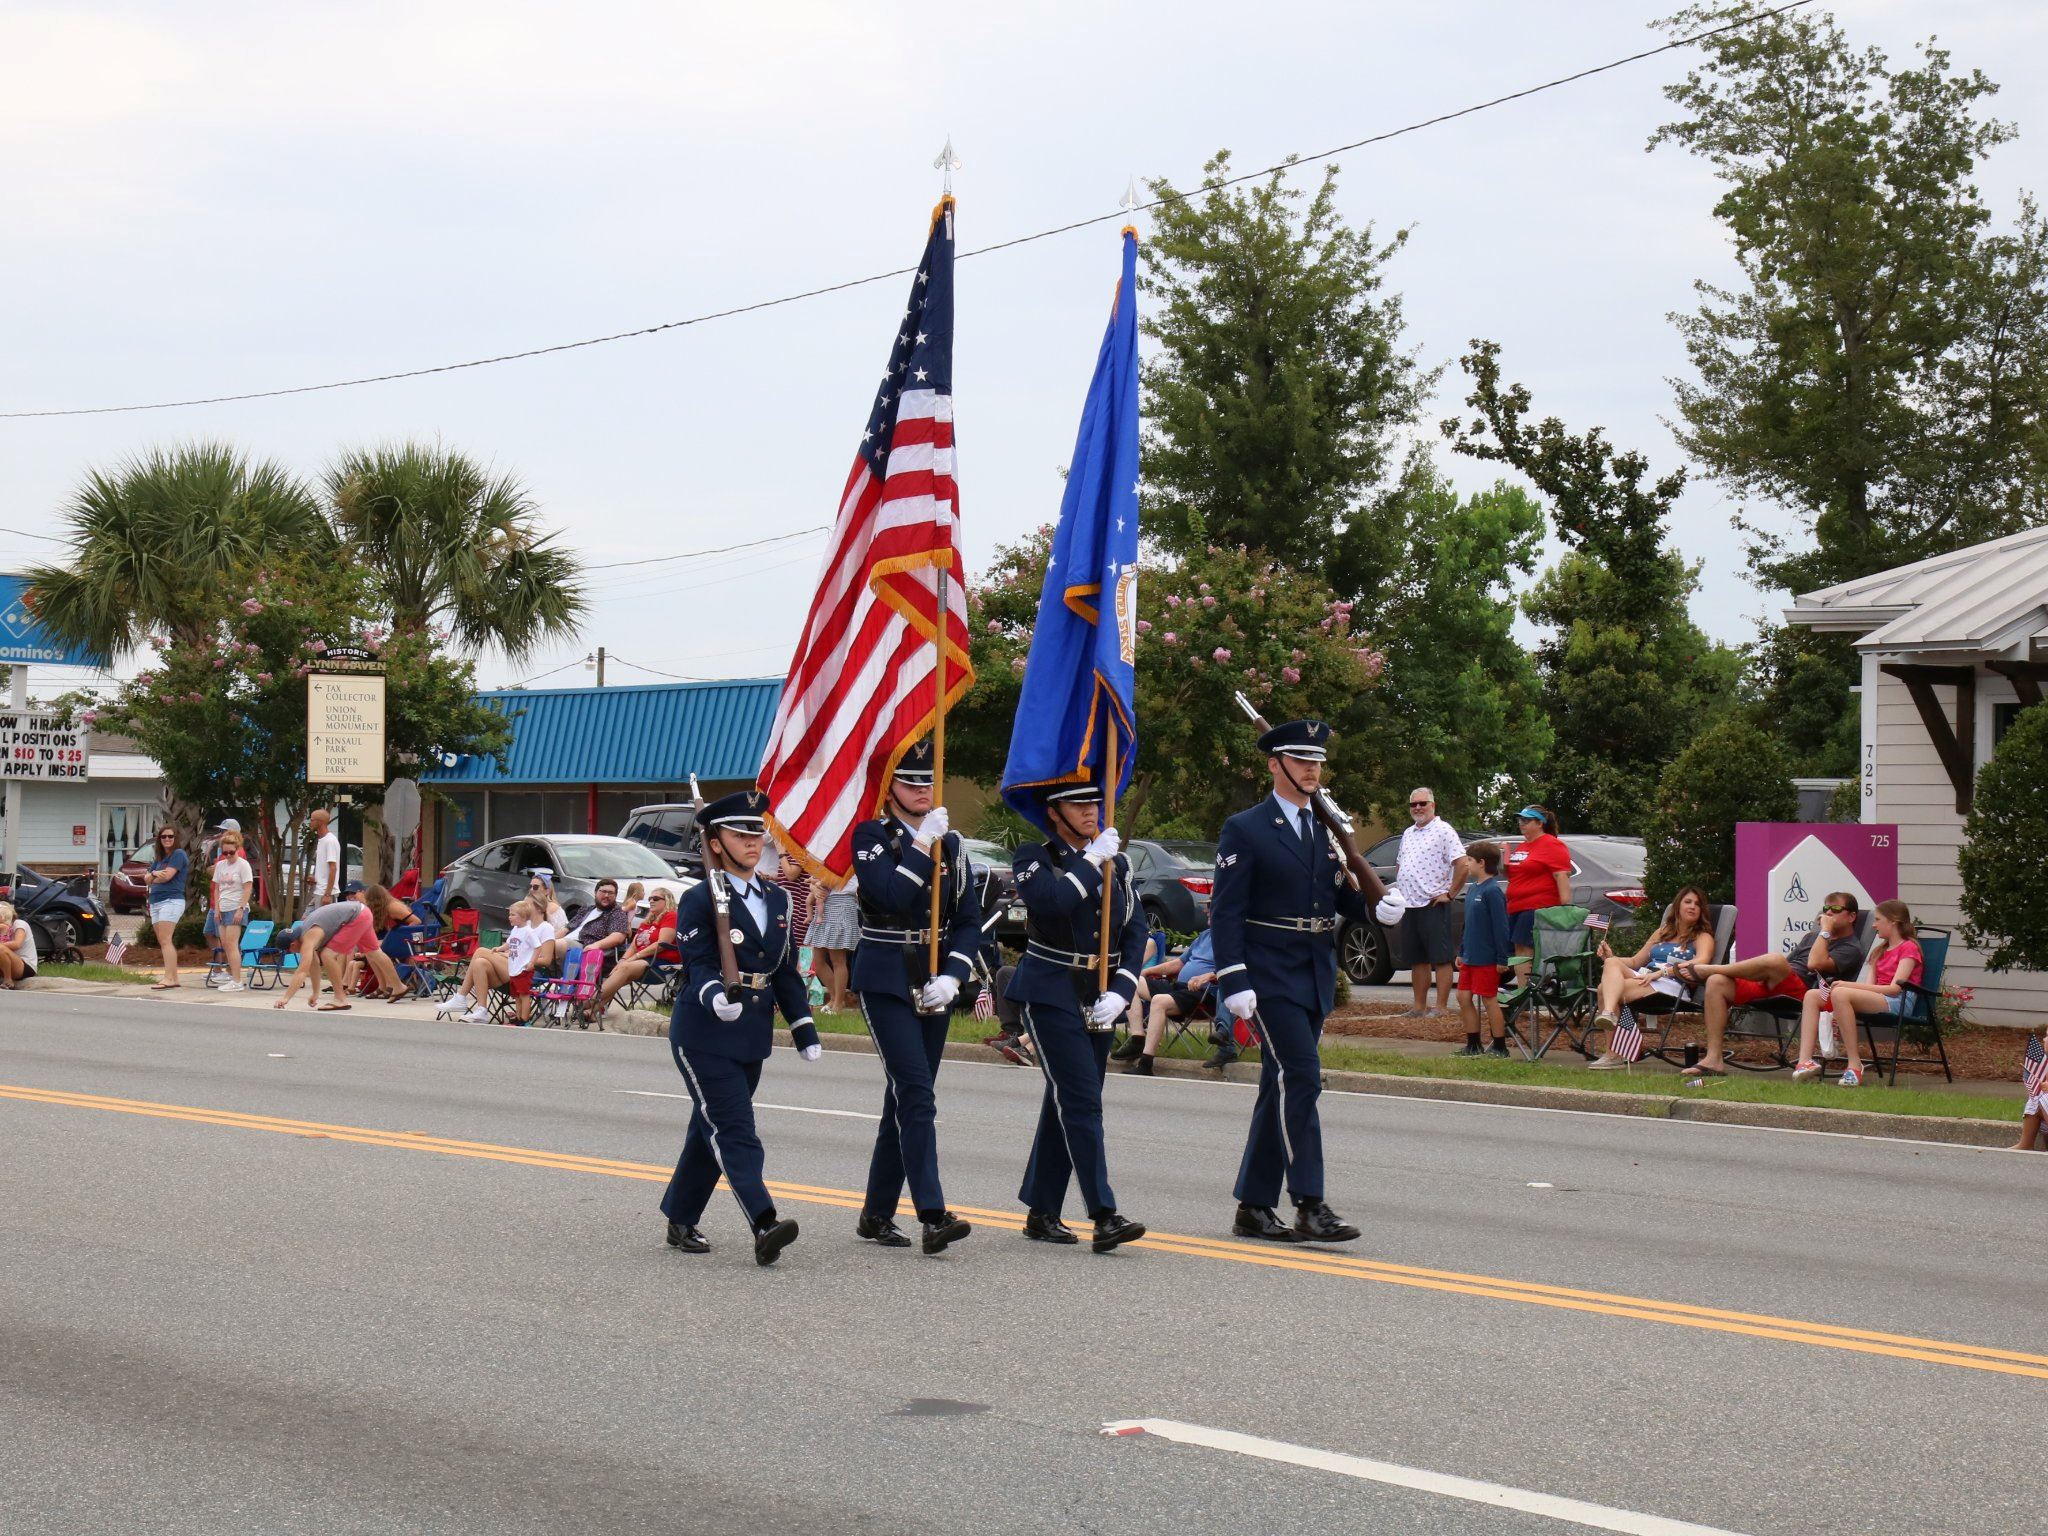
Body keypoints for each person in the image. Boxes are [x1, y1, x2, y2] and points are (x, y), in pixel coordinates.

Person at [1210, 719, 1378, 1246]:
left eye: (1317, 762)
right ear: (1274, 764)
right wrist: (1233, 976)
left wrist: (1378, 904)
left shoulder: (1321, 830)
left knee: (1277, 1085)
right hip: (1265, 973)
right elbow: (1227, 912)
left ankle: (1253, 1208)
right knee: (1302, 1076)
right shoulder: (1246, 827)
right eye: (1301, 760)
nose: (1312, 769)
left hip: (1312, 970)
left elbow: (1333, 895)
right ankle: (1309, 1203)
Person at [658, 788, 822, 1265]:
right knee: (734, 1126)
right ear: (715, 842)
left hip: (751, 1030)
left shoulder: (777, 898)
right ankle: (764, 1220)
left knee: (708, 1127)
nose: (753, 841)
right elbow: (699, 960)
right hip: (705, 1031)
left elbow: (785, 971)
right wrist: (714, 995)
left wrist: (804, 1026)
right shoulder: (699, 897)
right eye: (740, 832)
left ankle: (680, 1216)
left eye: (757, 831)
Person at [846, 740, 981, 1254]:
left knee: (903, 1100)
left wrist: (954, 973)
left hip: (936, 979)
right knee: (917, 1094)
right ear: (890, 789)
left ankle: (877, 1214)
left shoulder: (954, 843)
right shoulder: (872, 836)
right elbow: (890, 896)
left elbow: (967, 919)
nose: (922, 791)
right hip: (885, 976)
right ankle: (932, 1212)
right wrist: (923, 847)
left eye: (928, 782)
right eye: (910, 782)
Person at [1004, 780, 1148, 1254]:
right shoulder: (1033, 857)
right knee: (1082, 1100)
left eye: (1095, 803)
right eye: (1079, 804)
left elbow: (1135, 930)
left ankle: (1042, 1211)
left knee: (1066, 1102)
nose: (1091, 811)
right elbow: (1051, 902)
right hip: (1048, 990)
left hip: (1099, 994)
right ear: (1055, 813)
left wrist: (1124, 989)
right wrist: (1090, 863)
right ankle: (1103, 1214)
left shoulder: (1117, 863)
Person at [1678, 892, 1865, 1078]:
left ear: (1851, 916)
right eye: (1826, 908)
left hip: (1807, 993)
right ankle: (1713, 1060)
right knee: (1716, 982)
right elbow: (1790, 965)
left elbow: (1813, 964)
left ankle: (1711, 969)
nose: (1829, 912)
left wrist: (1824, 931)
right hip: (1778, 983)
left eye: (1836, 909)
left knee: (1775, 960)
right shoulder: (1811, 937)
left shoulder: (1851, 947)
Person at [1789, 899, 1921, 1088]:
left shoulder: (1909, 947)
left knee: (1841, 993)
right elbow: (1868, 986)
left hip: (1898, 1001)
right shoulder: (1879, 951)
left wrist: (1846, 986)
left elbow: (1894, 988)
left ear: (1893, 921)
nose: (1873, 925)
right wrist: (1845, 986)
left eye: (1877, 919)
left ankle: (1854, 1064)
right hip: (1879, 999)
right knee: (1812, 995)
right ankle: (1804, 1061)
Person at [1585, 886, 1716, 1069]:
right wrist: (1610, 956)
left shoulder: (1702, 937)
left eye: (1697, 904)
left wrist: (1663, 972)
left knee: (1602, 990)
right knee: (1612, 963)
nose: (1693, 906)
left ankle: (1614, 1053)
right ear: (1678, 906)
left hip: (1673, 984)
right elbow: (1635, 961)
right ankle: (1609, 1016)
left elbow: (1700, 964)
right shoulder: (1663, 931)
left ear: (1702, 911)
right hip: (1647, 977)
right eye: (1688, 902)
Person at [1393, 786, 1464, 1018]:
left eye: (1422, 803)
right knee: (1417, 958)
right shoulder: (1408, 833)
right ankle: (1419, 1007)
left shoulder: (1444, 830)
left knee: (1441, 958)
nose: (1418, 808)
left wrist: (1450, 894)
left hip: (1433, 903)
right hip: (1410, 904)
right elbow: (1401, 864)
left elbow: (1462, 864)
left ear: (1432, 805)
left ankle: (1441, 1007)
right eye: (1413, 804)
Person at [1111, 927, 1217, 1075]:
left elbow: (1231, 969)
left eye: (1210, 908)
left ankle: (1146, 1064)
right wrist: (1148, 971)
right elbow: (1178, 964)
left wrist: (1207, 976)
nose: (1207, 911)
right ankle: (1137, 1038)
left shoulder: (1230, 939)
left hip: (1204, 993)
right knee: (1131, 981)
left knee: (1158, 1001)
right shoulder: (1205, 935)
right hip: (1179, 987)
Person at [270, 895, 403, 1010]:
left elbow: (302, 971)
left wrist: (286, 998)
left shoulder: (307, 938)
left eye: (290, 951)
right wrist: (315, 993)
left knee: (327, 955)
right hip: (363, 912)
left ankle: (340, 999)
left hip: (356, 916)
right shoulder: (305, 932)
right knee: (375, 952)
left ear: (292, 945)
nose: (294, 953)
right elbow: (314, 965)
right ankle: (399, 987)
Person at [435, 898, 552, 1025]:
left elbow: (546, 960)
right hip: (511, 967)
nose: (524, 905)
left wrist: (521, 959)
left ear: (539, 908)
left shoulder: (545, 928)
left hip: (527, 972)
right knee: (480, 963)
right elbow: (514, 947)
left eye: (527, 904)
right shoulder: (518, 928)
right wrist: (505, 953)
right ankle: (482, 1010)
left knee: (480, 951)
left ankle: (461, 997)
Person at [1504, 805, 1571, 991]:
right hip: (1517, 906)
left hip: (1537, 906)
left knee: (1525, 951)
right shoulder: (1524, 846)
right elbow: (1517, 876)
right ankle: (1524, 991)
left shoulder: (1552, 844)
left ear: (1540, 823)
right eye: (1520, 821)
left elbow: (1561, 875)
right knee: (1519, 950)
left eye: (1526, 821)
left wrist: (1566, 908)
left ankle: (1527, 992)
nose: (1521, 824)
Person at [1454, 842, 1512, 1056]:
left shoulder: (1493, 891)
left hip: (1487, 958)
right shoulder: (1473, 889)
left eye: (1469, 860)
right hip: (1469, 956)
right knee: (1463, 997)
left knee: (1489, 999)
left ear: (1482, 862)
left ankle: (1500, 1046)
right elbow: (1468, 924)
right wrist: (1461, 950)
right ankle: (1473, 1044)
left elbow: (1501, 927)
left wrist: (1501, 958)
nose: (1466, 864)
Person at [597, 887, 679, 1016]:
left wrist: (633, 958)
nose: (651, 901)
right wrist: (622, 961)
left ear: (667, 901)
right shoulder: (647, 922)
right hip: (640, 963)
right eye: (650, 898)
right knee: (620, 970)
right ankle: (592, 1010)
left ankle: (587, 1002)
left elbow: (662, 944)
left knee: (625, 969)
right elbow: (633, 947)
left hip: (660, 965)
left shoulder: (671, 916)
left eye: (656, 898)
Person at [208, 827, 255, 993]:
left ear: (237, 849)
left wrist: (241, 909)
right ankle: (232, 976)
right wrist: (217, 909)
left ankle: (237, 980)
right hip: (223, 907)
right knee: (226, 945)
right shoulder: (221, 865)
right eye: (225, 852)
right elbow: (217, 888)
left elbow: (248, 887)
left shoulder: (243, 865)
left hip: (236, 907)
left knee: (232, 944)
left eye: (231, 852)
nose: (228, 856)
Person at [144, 825, 191, 991]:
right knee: (162, 940)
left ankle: (169, 977)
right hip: (155, 901)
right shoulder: (160, 858)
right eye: (163, 837)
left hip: (171, 900)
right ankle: (173, 977)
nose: (167, 839)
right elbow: (146, 878)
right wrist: (156, 874)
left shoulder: (178, 854)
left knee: (165, 939)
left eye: (170, 836)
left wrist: (154, 876)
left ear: (175, 838)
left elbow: (168, 877)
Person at [807, 872, 859, 1013]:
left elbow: (830, 879)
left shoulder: (848, 857)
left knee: (837, 960)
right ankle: (835, 997)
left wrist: (817, 883)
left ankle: (838, 1003)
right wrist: (814, 888)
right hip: (824, 903)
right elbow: (815, 880)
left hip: (843, 902)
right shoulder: (826, 856)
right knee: (817, 961)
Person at [309, 809, 342, 907]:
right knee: (306, 920)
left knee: (322, 922)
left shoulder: (330, 841)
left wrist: (327, 894)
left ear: (320, 822)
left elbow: (333, 868)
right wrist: (315, 878)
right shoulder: (322, 840)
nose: (310, 823)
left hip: (325, 893)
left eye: (312, 820)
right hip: (319, 891)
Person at [0, 902, 36, 987]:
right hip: (8, 962)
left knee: (0, 948)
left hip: (25, 966)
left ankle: (8, 980)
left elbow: (17, 944)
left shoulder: (19, 923)